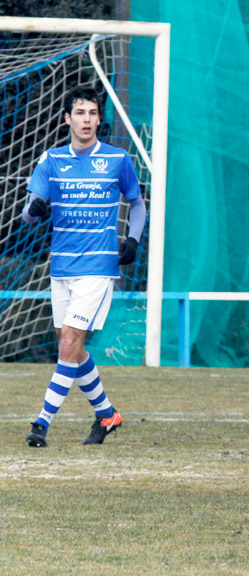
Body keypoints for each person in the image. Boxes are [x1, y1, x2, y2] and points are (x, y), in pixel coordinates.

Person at [21, 85, 146, 448]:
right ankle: (107, 415)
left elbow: (137, 204)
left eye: (92, 113)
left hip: (98, 267)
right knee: (72, 348)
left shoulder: (117, 160)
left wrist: (133, 240)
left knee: (69, 344)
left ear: (98, 119)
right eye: (80, 113)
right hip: (61, 267)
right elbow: (29, 213)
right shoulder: (51, 161)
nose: (87, 119)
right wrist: (36, 211)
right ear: (68, 119)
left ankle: (41, 423)